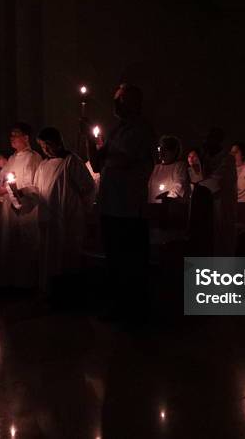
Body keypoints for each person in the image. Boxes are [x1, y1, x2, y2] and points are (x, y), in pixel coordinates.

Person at [85, 83, 154, 318]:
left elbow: (122, 159)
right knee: (114, 260)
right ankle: (117, 306)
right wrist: (89, 140)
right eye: (115, 98)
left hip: (129, 207)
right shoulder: (116, 131)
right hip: (111, 204)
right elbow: (97, 163)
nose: (115, 103)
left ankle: (134, 310)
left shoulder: (141, 129)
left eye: (121, 99)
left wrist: (106, 152)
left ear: (135, 102)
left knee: (131, 263)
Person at [26, 127, 95, 290]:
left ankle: (66, 293)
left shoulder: (71, 161)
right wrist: (23, 192)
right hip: (48, 220)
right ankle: (49, 291)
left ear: (58, 142)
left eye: (48, 145)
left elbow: (88, 187)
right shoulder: (43, 164)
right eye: (42, 146)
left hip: (67, 218)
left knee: (66, 257)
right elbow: (38, 189)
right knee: (49, 257)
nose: (46, 149)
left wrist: (81, 211)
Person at [0, 123, 42, 288]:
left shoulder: (33, 157)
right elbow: (5, 179)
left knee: (24, 243)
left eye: (16, 134)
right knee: (10, 242)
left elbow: (30, 184)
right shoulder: (12, 158)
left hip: (26, 208)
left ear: (26, 137)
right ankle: (10, 281)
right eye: (11, 134)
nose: (12, 138)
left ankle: (26, 282)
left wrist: (6, 190)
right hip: (9, 207)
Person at [148, 136, 190, 203]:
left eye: (165, 149)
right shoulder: (155, 168)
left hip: (169, 208)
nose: (161, 151)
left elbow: (179, 185)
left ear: (174, 151)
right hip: (152, 207)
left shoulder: (180, 166)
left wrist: (168, 197)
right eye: (160, 148)